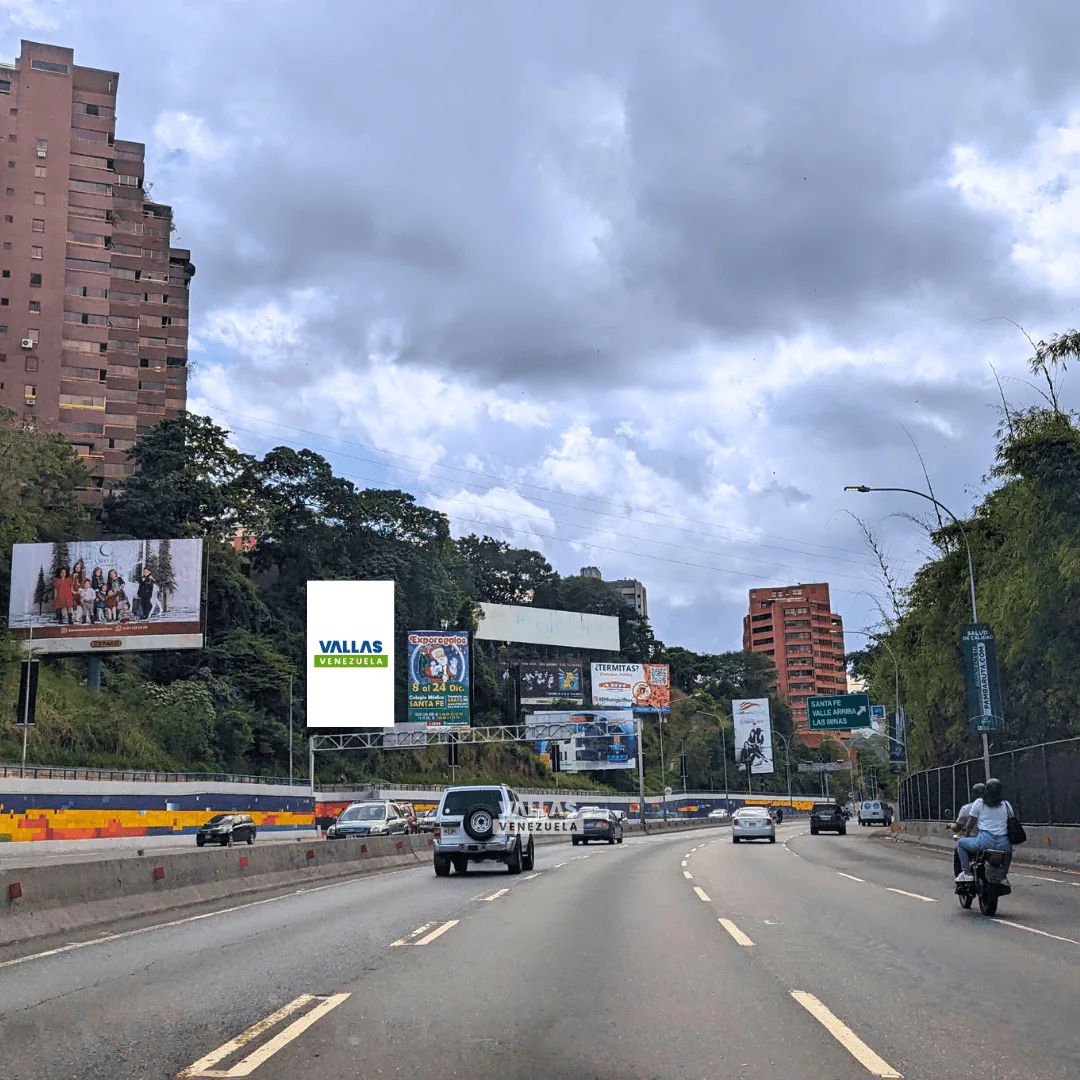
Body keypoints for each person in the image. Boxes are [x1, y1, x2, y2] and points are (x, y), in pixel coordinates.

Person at [955, 778, 1013, 885]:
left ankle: (966, 872)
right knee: (1009, 853)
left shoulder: (979, 803)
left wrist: (966, 835)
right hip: (1003, 844)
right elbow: (1011, 823)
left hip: (983, 842)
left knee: (960, 843)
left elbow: (970, 825)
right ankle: (1004, 875)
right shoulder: (1006, 805)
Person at [949, 783, 984, 876]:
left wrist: (952, 825)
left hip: (976, 840)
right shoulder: (994, 807)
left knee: (960, 845)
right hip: (995, 839)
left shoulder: (967, 808)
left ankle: (964, 873)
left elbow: (958, 828)